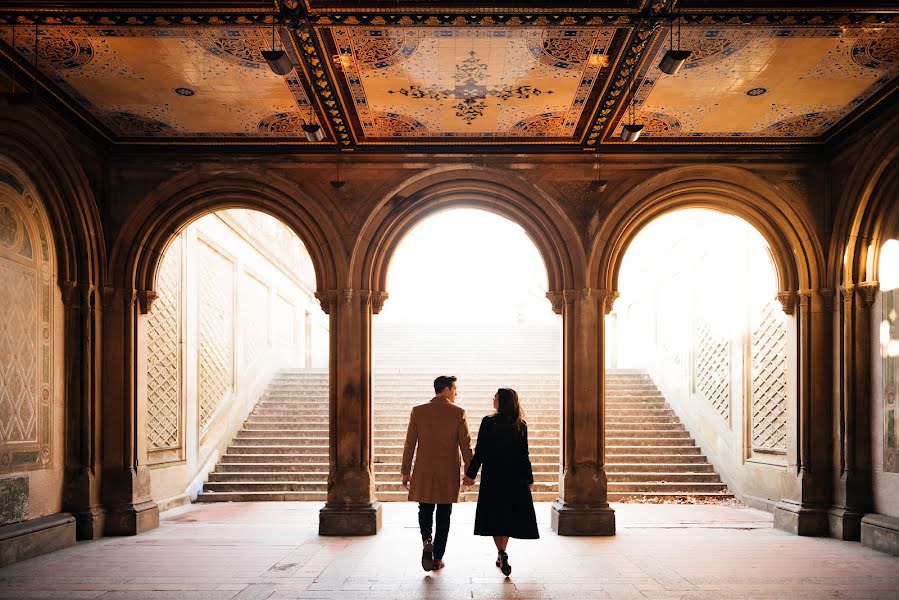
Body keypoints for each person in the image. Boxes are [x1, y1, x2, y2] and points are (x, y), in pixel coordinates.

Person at [463, 387, 538, 577]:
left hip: (493, 476)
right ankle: (502, 552)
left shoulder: (488, 422)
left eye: (495, 396)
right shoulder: (521, 425)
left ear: (501, 401)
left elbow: (480, 451)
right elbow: (524, 455)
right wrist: (529, 478)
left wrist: (470, 474)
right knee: (508, 515)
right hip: (514, 477)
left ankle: (501, 551)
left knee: (496, 516)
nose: (492, 399)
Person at [401, 375, 473, 572]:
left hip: (424, 470)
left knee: (424, 509)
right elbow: (466, 446)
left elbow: (410, 444)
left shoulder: (418, 411)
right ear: (447, 389)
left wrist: (406, 471)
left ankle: (427, 540)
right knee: (444, 514)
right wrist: (470, 471)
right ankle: (438, 557)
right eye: (455, 389)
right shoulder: (458, 413)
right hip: (448, 472)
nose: (456, 393)